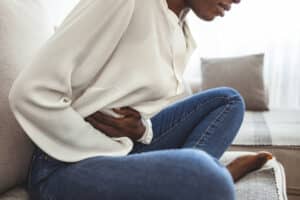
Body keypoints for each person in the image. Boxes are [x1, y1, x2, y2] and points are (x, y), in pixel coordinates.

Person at [8, 0, 272, 199]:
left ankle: (183, 182)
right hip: (64, 165)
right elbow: (30, 91)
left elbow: (134, 107)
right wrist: (114, 149)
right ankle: (207, 177)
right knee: (208, 176)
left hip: (122, 147)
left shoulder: (179, 29)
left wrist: (142, 130)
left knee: (228, 102)